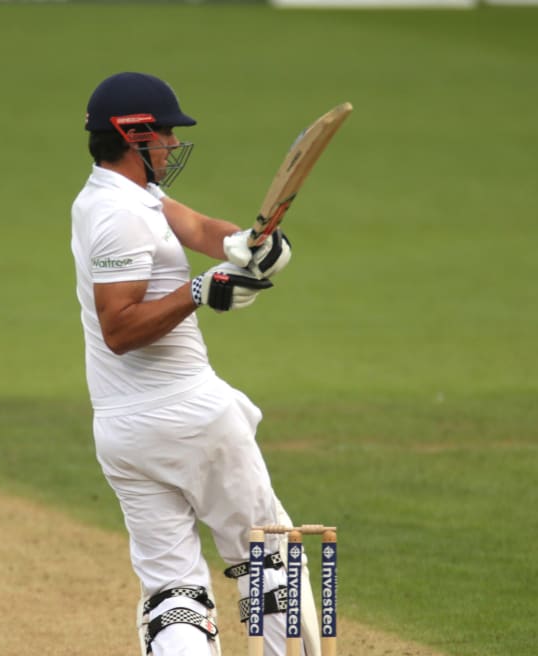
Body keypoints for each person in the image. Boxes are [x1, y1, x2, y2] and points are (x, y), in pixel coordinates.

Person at [70, 72, 322, 655]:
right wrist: (200, 291)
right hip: (191, 416)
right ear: (134, 135)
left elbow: (197, 228)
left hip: (124, 433)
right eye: (165, 134)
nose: (173, 145)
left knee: (174, 592)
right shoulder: (120, 216)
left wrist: (246, 245)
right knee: (272, 563)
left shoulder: (119, 196)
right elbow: (120, 328)